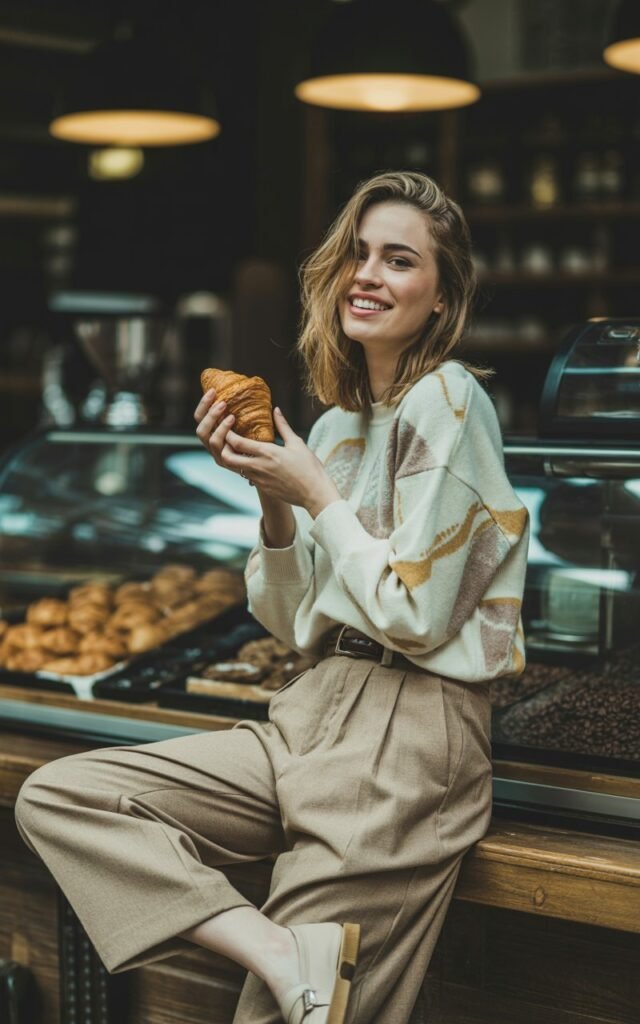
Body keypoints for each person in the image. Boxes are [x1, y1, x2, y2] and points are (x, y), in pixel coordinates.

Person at [14, 171, 529, 1024]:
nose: (368, 273)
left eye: (399, 260)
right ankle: (277, 949)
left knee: (280, 1019)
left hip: (407, 730)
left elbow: (415, 615)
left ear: (442, 298)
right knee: (65, 797)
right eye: (358, 255)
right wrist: (274, 496)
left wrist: (317, 495)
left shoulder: (451, 399)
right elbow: (291, 619)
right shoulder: (332, 426)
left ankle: (293, 971)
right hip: (312, 708)